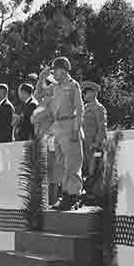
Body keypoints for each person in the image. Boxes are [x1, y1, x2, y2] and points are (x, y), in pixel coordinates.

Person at [39, 56, 84, 211]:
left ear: (63, 70)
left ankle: (73, 195)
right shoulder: (55, 87)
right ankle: (65, 194)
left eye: (55, 69)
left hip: (70, 124)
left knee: (73, 163)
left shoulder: (73, 85)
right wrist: (41, 78)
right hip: (58, 126)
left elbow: (79, 109)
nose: (54, 73)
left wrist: (75, 130)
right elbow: (39, 95)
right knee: (62, 164)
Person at [82, 81, 107, 200]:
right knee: (87, 169)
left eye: (86, 92)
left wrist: (96, 143)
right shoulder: (84, 108)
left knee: (96, 168)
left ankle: (96, 194)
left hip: (95, 146)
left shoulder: (99, 108)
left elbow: (102, 127)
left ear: (93, 93)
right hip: (85, 144)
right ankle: (89, 193)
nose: (84, 95)